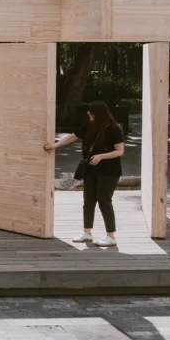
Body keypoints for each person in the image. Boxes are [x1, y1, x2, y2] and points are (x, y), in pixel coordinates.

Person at [44, 100, 125, 247]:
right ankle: (87, 233)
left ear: (97, 113)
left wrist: (101, 156)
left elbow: (120, 151)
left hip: (109, 171)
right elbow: (71, 137)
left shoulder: (113, 129)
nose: (87, 113)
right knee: (88, 201)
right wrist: (54, 146)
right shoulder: (88, 126)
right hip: (90, 169)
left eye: (90, 111)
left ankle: (111, 236)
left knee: (104, 201)